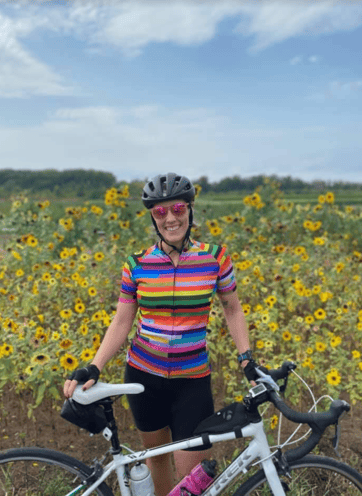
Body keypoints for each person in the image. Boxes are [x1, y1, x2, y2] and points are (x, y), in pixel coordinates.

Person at [64, 172, 261, 496]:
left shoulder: (214, 257)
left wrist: (246, 360)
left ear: (190, 211)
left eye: (178, 209)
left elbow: (232, 309)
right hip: (144, 378)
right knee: (156, 460)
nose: (170, 218)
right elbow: (122, 320)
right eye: (160, 212)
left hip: (192, 380)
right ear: (153, 218)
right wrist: (94, 366)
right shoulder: (137, 264)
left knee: (193, 478)